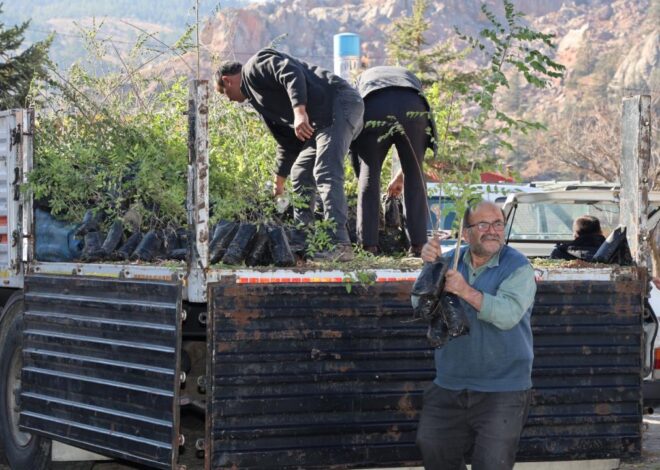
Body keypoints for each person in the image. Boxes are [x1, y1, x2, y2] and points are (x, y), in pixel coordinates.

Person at [414, 201, 537, 470]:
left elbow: (507, 315)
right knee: (434, 450)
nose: (492, 231)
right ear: (465, 234)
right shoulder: (449, 260)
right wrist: (429, 267)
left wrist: (465, 290)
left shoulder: (518, 267)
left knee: (492, 464)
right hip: (449, 384)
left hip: (503, 389)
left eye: (498, 224)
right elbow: (419, 305)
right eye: (483, 224)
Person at [215, 48, 364, 261]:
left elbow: (291, 72)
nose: (228, 100)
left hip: (338, 104)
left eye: (224, 94)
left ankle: (339, 245)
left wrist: (299, 112)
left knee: (326, 171)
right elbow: (288, 143)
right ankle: (304, 239)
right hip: (321, 122)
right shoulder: (259, 101)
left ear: (227, 81)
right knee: (300, 171)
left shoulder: (256, 65)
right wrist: (279, 181)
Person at [349, 65, 436, 256]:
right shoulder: (410, 78)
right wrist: (403, 175)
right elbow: (413, 161)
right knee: (415, 175)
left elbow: (353, 107)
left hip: (373, 105)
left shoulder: (361, 80)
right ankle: (418, 245)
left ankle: (368, 246)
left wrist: (360, 171)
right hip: (414, 106)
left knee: (369, 174)